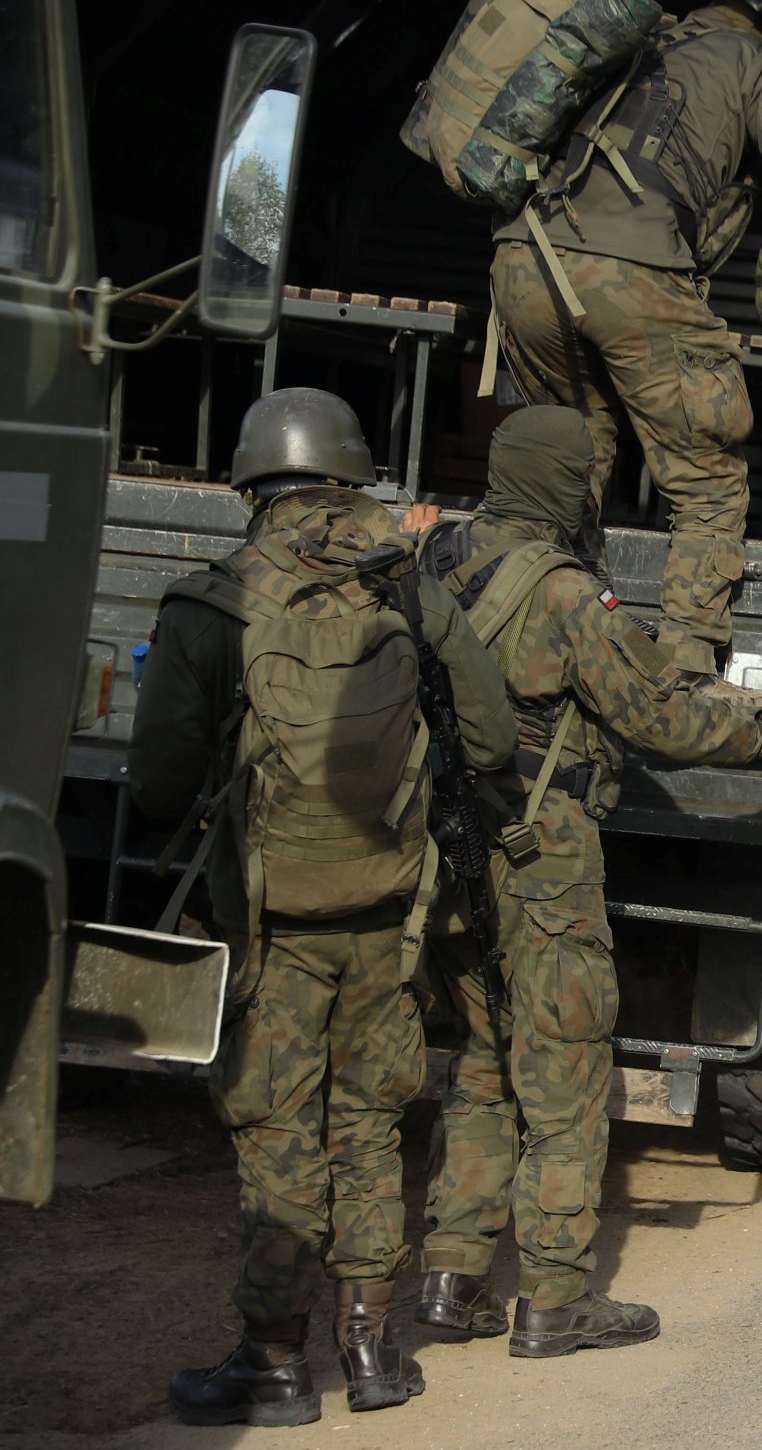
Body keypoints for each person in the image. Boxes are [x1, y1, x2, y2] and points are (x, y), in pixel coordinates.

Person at [408, 406, 762, 1357]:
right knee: (564, 1071)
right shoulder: (561, 595)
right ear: (565, 486)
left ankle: (451, 1273)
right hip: (540, 857)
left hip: (448, 847)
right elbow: (659, 716)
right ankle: (554, 1300)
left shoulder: (437, 560)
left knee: (478, 1061)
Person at [136, 389, 515, 1427]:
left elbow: (156, 784)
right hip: (388, 920)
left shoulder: (214, 602)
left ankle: (273, 1361)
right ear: (350, 477)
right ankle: (373, 1348)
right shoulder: (407, 586)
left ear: (255, 483)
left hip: (272, 932)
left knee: (275, 1136)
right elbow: (486, 738)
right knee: (369, 1129)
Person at [490, 0, 762, 684]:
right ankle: (683, 676)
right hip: (628, 273)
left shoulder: (635, 37)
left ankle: (533, 638)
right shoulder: (761, 61)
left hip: (524, 259)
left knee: (571, 457)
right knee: (707, 483)